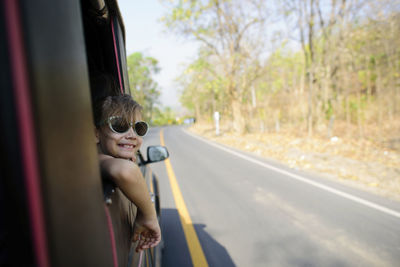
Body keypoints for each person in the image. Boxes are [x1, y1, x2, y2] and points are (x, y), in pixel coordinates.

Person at [94, 94, 161, 252]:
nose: (132, 135)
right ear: (95, 133)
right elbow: (126, 171)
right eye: (119, 125)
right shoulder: (93, 159)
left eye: (139, 128)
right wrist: (149, 215)